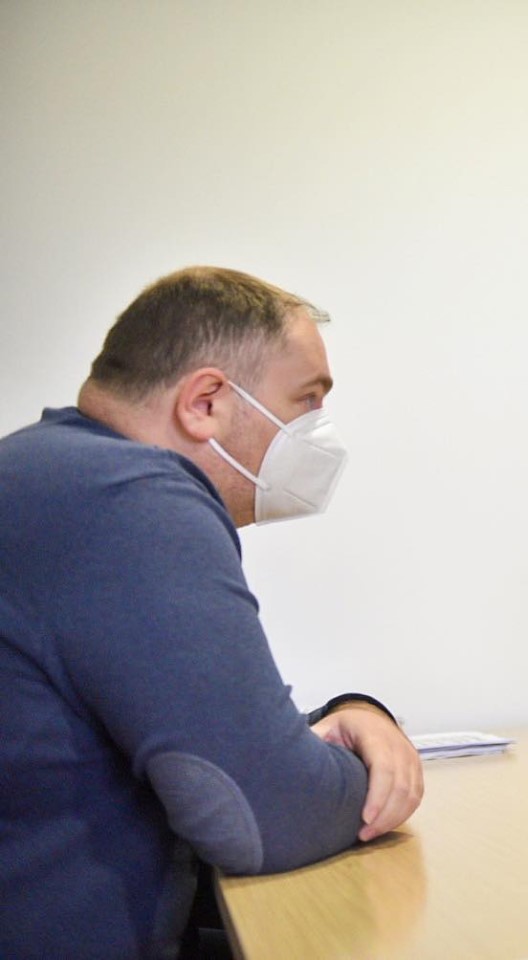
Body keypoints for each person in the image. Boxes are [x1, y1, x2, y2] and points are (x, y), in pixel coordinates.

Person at [0, 267, 425, 960]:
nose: (317, 432)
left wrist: (351, 716)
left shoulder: (53, 474)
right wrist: (375, 771)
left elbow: (207, 736)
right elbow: (266, 813)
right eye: (305, 402)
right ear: (205, 403)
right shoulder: (126, 499)